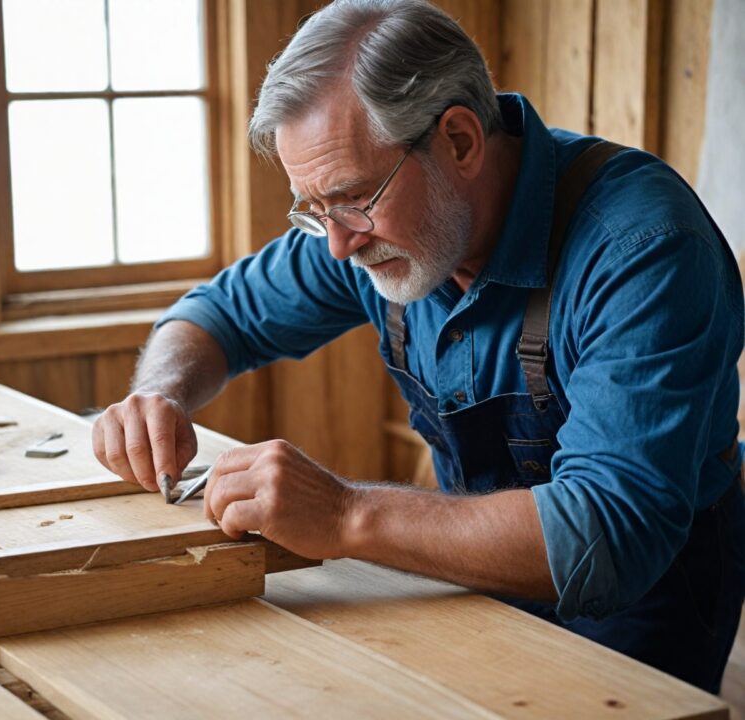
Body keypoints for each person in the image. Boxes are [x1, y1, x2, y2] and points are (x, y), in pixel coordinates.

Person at [92, 0, 745, 693]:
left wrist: (347, 514)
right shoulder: (381, 231)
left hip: (636, 612)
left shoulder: (644, 251)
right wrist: (159, 392)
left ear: (459, 141)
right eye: (314, 209)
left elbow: (607, 535)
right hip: (466, 583)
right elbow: (219, 313)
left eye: (351, 198)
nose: (339, 243)